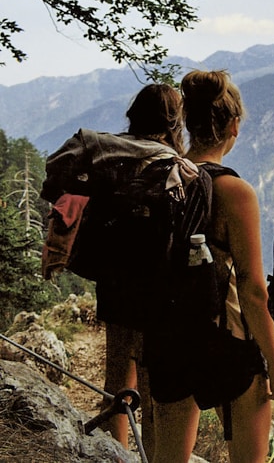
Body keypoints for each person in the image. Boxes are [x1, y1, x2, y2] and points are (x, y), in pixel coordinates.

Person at [147, 70, 274, 463]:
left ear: (188, 124)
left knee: (168, 457)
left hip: (168, 336)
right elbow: (253, 289)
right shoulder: (234, 192)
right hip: (225, 340)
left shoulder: (162, 178)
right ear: (234, 126)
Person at [100, 83, 185, 452]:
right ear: (174, 122)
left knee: (116, 374)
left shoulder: (113, 157)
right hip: (157, 288)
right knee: (152, 387)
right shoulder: (173, 165)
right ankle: (151, 455)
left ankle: (112, 454)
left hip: (115, 280)